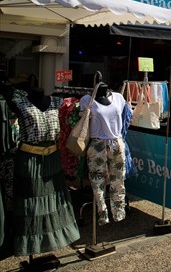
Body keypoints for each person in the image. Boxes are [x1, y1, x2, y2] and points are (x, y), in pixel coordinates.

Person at [9, 85, 80, 256]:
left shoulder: (57, 102)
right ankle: (32, 245)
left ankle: (54, 240)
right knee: (32, 203)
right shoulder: (18, 103)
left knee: (54, 200)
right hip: (30, 159)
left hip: (52, 158)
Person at [79, 81, 131, 225]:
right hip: (97, 144)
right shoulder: (86, 100)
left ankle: (119, 213)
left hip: (116, 142)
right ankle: (102, 214)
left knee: (118, 180)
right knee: (97, 182)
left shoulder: (119, 98)